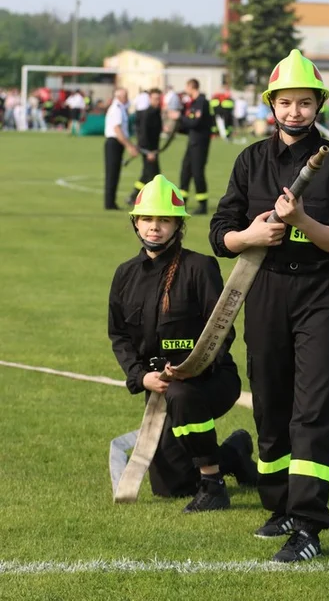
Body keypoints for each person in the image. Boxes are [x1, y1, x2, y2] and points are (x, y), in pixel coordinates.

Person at [209, 49, 329, 563]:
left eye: (304, 102)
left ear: (319, 104)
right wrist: (248, 234)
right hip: (267, 291)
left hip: (321, 295)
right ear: (271, 105)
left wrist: (300, 221)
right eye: (285, 102)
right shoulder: (250, 160)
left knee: (314, 410)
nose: (294, 111)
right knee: (272, 408)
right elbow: (219, 233)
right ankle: (279, 507)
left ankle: (309, 525)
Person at [108, 174, 257, 511]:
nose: (154, 227)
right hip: (158, 388)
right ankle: (233, 453)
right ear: (136, 222)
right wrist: (140, 377)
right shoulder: (125, 275)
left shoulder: (200, 267)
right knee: (171, 485)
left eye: (164, 220)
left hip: (211, 380)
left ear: (178, 225)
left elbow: (223, 329)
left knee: (181, 393)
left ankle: (213, 485)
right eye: (147, 219)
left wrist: (193, 368)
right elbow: (119, 335)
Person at [168, 79, 212, 215]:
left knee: (197, 172)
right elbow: (189, 125)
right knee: (185, 171)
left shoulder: (202, 102)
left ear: (191, 87)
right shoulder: (192, 103)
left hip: (200, 143)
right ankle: (182, 202)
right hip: (192, 142)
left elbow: (195, 122)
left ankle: (202, 205)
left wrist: (179, 117)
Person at [126, 88, 163, 206]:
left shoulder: (157, 112)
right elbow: (143, 134)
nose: (157, 101)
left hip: (154, 149)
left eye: (158, 99)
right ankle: (136, 197)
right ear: (150, 99)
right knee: (152, 174)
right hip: (148, 149)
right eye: (155, 98)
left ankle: (135, 196)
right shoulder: (148, 113)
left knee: (148, 174)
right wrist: (148, 152)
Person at [104, 88, 138, 210]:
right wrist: (129, 146)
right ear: (119, 97)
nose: (127, 98)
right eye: (124, 96)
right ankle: (109, 203)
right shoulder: (116, 109)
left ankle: (111, 202)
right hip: (114, 142)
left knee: (115, 172)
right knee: (112, 173)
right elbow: (117, 130)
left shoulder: (121, 108)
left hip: (117, 142)